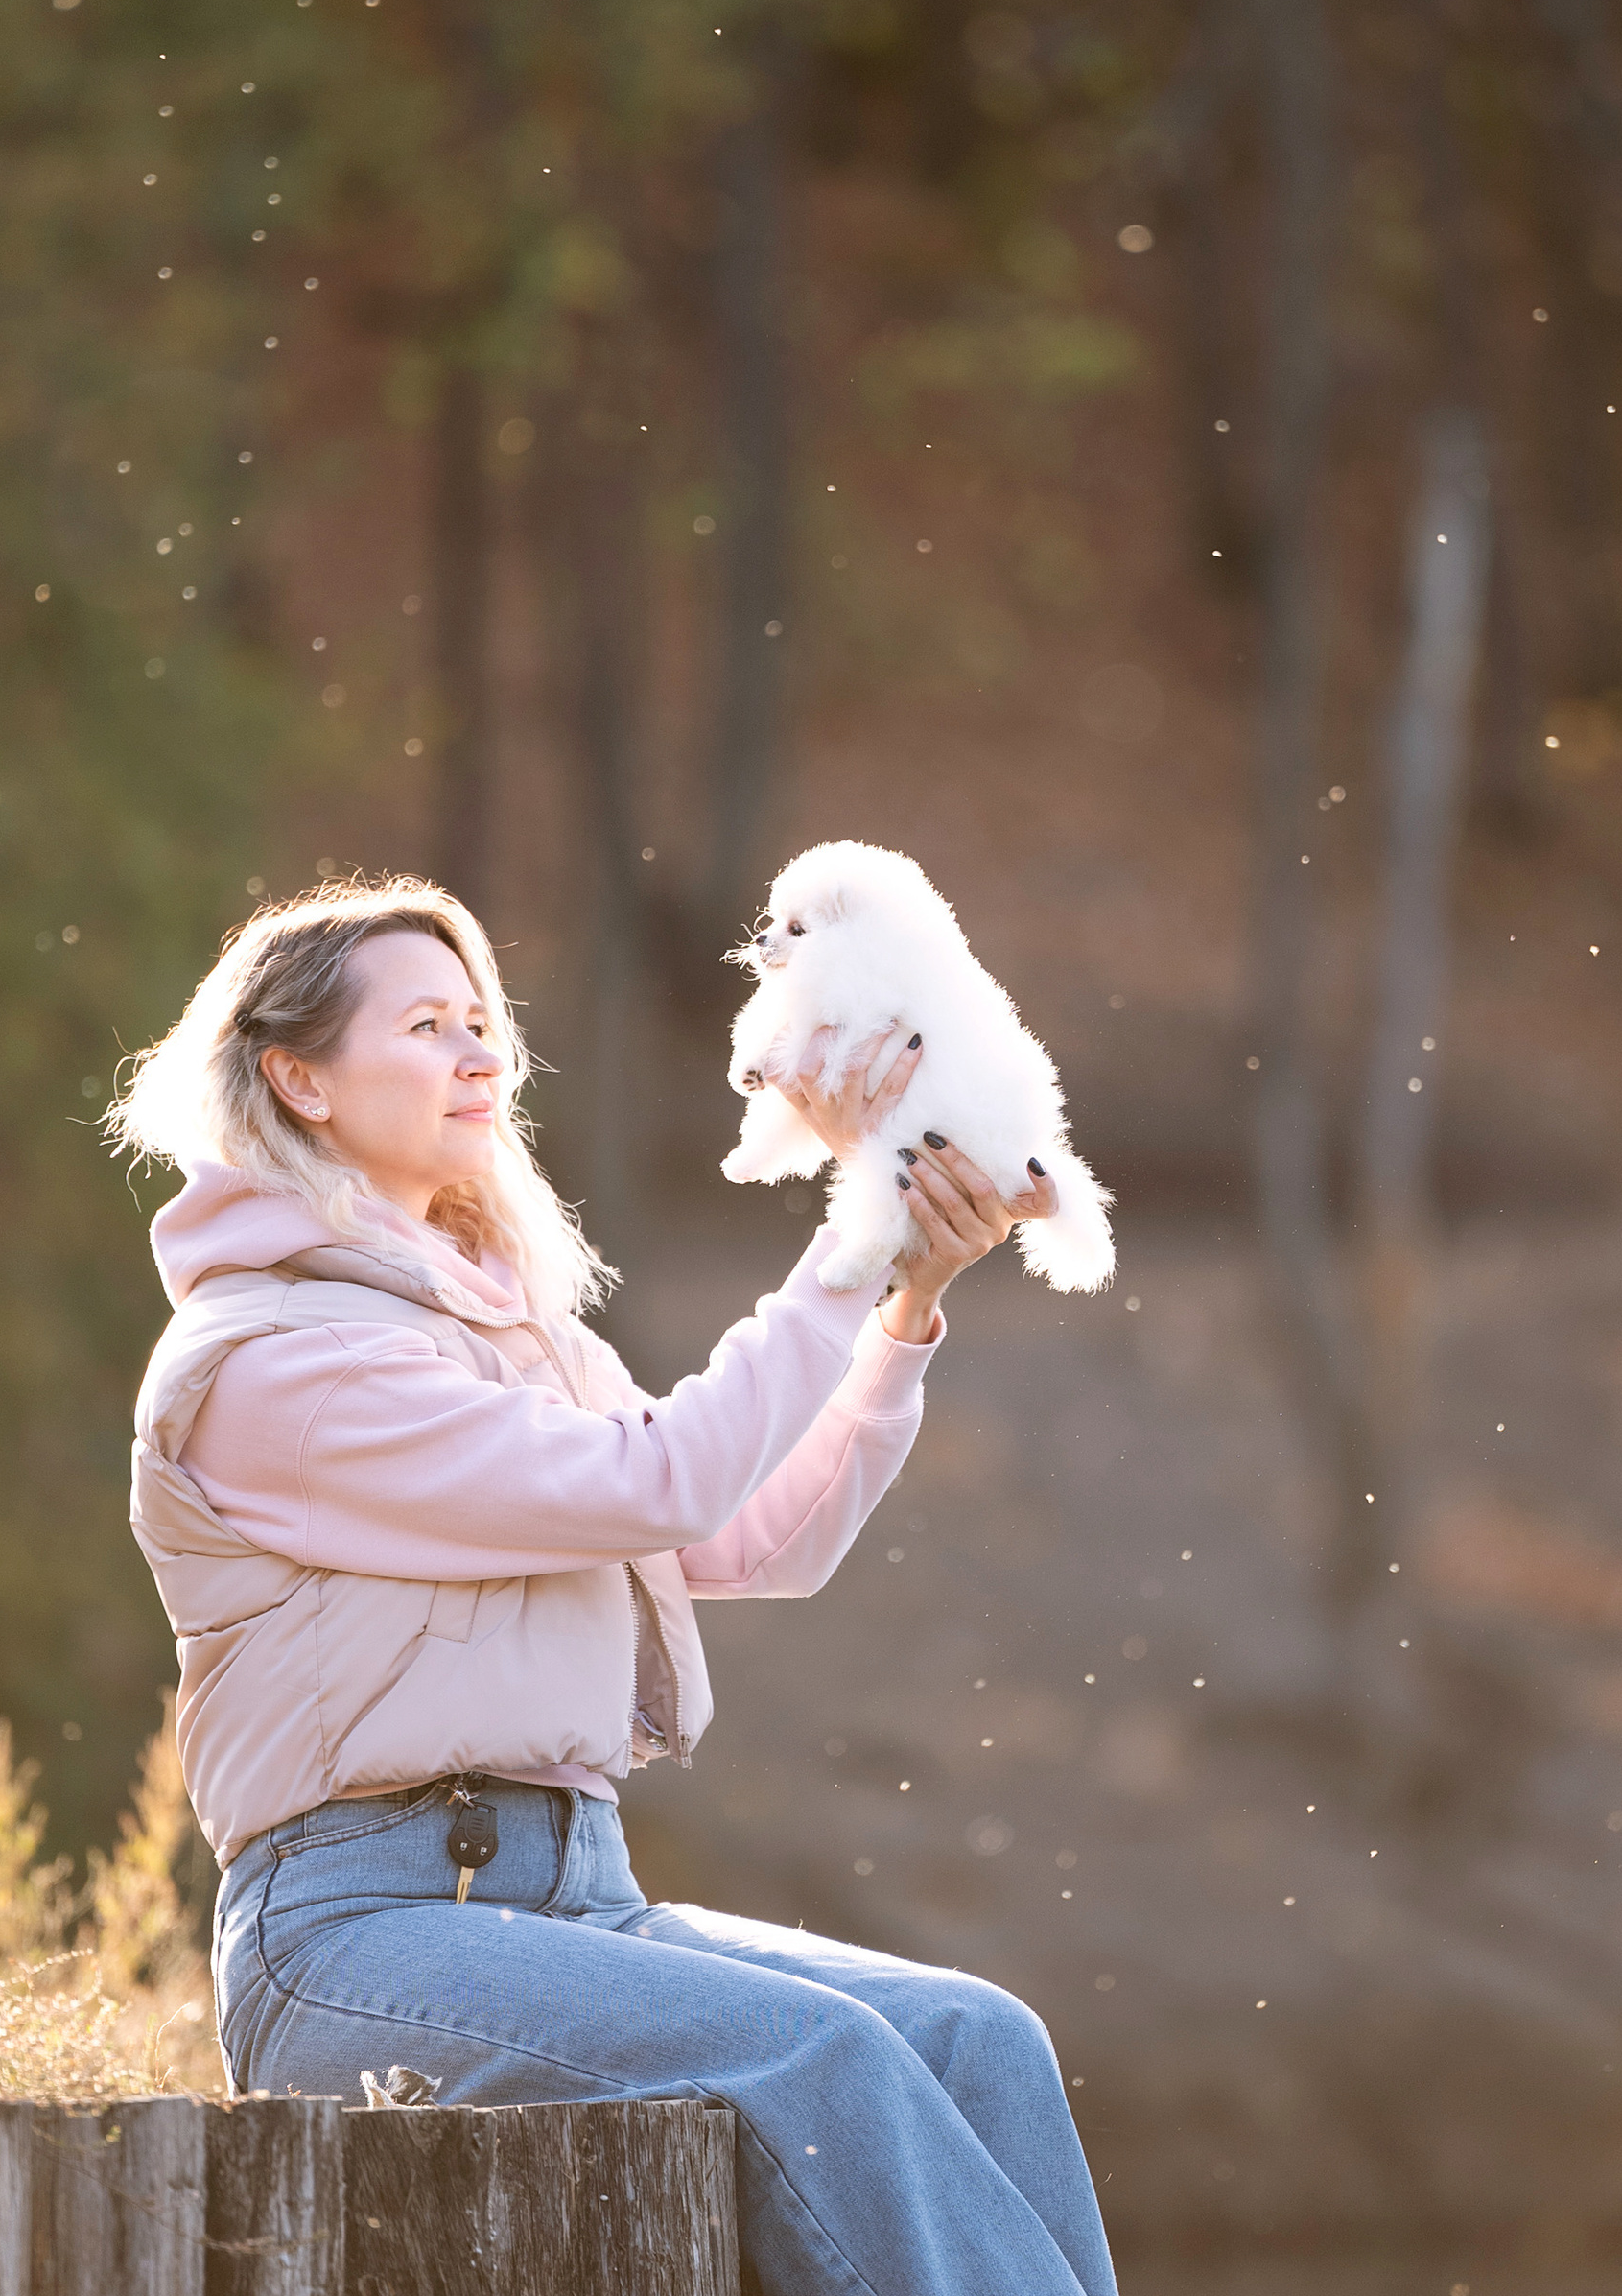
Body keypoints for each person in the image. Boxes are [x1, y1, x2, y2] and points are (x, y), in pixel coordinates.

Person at [110, 876, 1117, 2296]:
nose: (480, 1055)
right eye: (426, 1025)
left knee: (978, 2040)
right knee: (824, 2062)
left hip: (580, 1901)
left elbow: (749, 1538)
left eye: (481, 1022)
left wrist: (904, 1306)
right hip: (357, 1932)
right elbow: (661, 1484)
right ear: (297, 1079)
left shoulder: (502, 1328)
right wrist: (850, 1230)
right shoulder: (282, 1364)